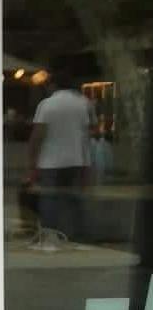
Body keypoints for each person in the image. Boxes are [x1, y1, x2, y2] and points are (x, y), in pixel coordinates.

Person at [28, 66, 95, 249]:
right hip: (77, 160)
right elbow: (87, 135)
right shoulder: (83, 104)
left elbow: (37, 135)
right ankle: (78, 238)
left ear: (52, 85)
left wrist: (32, 162)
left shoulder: (47, 104)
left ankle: (50, 238)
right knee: (74, 200)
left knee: (49, 200)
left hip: (49, 161)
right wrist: (87, 165)